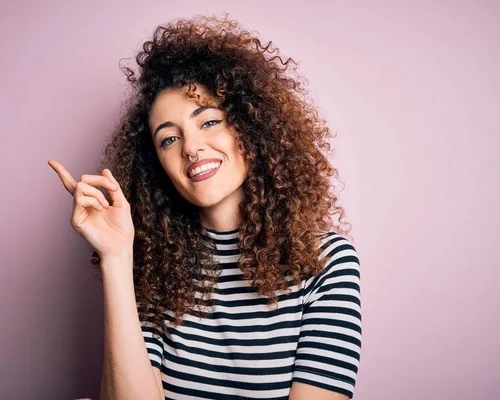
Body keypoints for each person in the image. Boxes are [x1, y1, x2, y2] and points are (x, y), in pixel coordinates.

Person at [49, 13, 361, 400]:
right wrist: (115, 257)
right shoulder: (158, 267)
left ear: (250, 126)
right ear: (156, 166)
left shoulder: (327, 261)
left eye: (209, 122)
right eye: (168, 139)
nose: (191, 146)